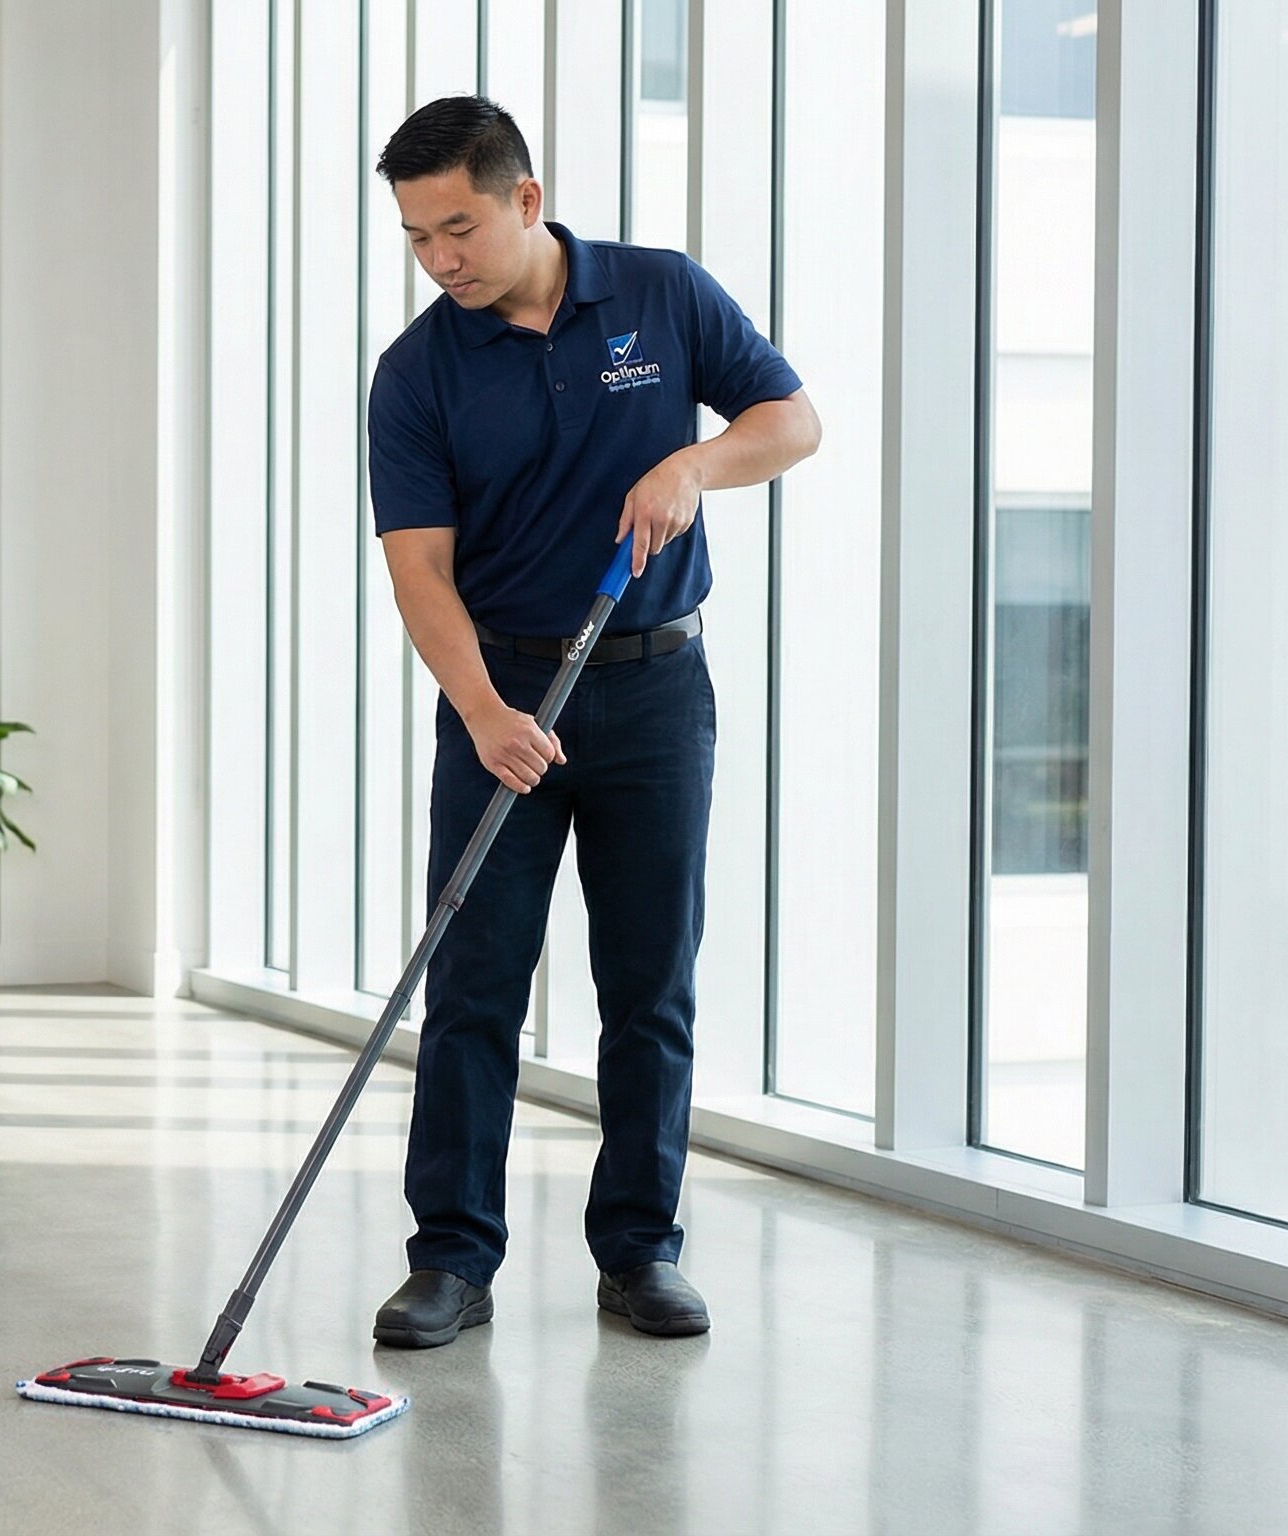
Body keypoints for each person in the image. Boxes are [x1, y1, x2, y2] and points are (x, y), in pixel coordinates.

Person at [364, 95, 821, 1347]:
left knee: (648, 984)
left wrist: (691, 465)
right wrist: (482, 712)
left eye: (458, 227)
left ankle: (639, 1253)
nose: (440, 259)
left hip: (655, 693)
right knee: (473, 986)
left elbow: (790, 421)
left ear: (525, 198)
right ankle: (450, 1261)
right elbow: (419, 571)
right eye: (416, 238)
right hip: (501, 697)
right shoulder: (416, 372)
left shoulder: (660, 294)